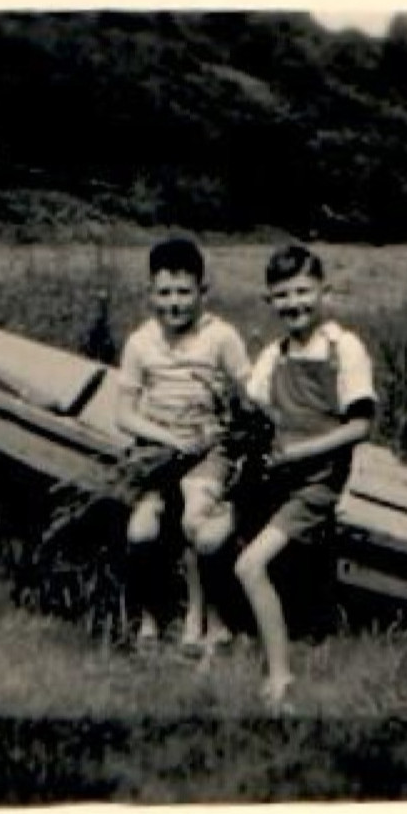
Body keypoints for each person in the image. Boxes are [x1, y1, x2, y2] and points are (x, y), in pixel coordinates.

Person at [236, 244, 377, 710]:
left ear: (323, 291)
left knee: (250, 566)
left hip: (317, 481)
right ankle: (224, 631)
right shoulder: (274, 354)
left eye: (302, 291)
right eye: (282, 295)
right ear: (269, 301)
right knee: (218, 530)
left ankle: (280, 680)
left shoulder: (343, 348)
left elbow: (360, 425)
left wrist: (302, 451)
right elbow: (253, 405)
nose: (293, 303)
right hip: (280, 475)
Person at [116, 237, 250, 653]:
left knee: (196, 517)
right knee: (141, 531)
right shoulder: (141, 343)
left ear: (202, 293)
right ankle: (150, 616)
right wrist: (167, 438)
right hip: (156, 451)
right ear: (150, 293)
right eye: (164, 293)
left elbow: (248, 394)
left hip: (206, 449)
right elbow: (124, 414)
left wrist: (229, 428)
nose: (174, 303)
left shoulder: (221, 337)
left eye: (184, 293)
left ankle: (200, 617)